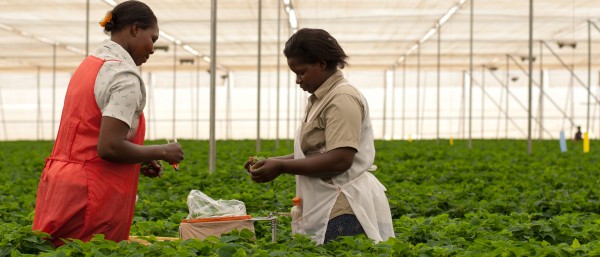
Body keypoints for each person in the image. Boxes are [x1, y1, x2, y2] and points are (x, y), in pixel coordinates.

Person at [32, 1, 184, 247]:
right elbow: (109, 147)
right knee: (94, 251)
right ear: (135, 29)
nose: (153, 48)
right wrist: (163, 151)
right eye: (152, 38)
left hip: (62, 187)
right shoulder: (123, 77)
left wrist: (139, 157)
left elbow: (90, 134)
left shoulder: (89, 66)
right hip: (92, 195)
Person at [245, 28, 394, 244]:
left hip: (343, 206)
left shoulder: (342, 99)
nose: (298, 80)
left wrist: (281, 167)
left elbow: (340, 159)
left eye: (302, 72)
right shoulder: (320, 99)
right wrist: (273, 162)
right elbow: (314, 152)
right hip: (326, 203)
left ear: (321, 64)